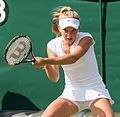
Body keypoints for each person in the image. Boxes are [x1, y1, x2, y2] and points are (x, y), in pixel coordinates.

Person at [32, 6, 115, 117]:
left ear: (78, 28)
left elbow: (73, 58)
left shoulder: (86, 38)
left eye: (73, 30)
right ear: (59, 28)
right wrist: (46, 65)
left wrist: (45, 60)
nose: (69, 35)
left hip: (95, 90)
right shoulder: (52, 45)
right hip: (71, 93)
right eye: (66, 30)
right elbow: (54, 78)